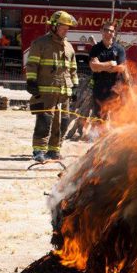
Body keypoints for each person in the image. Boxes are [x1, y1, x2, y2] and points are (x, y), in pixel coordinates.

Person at [25, 10, 78, 162]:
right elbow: (32, 64)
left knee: (63, 121)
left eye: (67, 28)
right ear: (54, 26)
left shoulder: (69, 47)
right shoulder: (40, 43)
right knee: (45, 120)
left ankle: (54, 150)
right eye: (63, 27)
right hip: (46, 91)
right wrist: (31, 81)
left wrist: (74, 86)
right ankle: (39, 151)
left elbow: (73, 69)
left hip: (64, 92)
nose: (66, 30)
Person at [89, 22, 127, 122]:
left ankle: (113, 136)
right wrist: (110, 64)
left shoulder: (119, 49)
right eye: (106, 30)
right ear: (101, 31)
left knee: (115, 116)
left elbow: (121, 67)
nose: (109, 32)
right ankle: (100, 135)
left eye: (111, 31)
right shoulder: (96, 49)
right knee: (100, 115)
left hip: (115, 88)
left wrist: (101, 66)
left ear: (114, 33)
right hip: (99, 87)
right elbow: (93, 67)